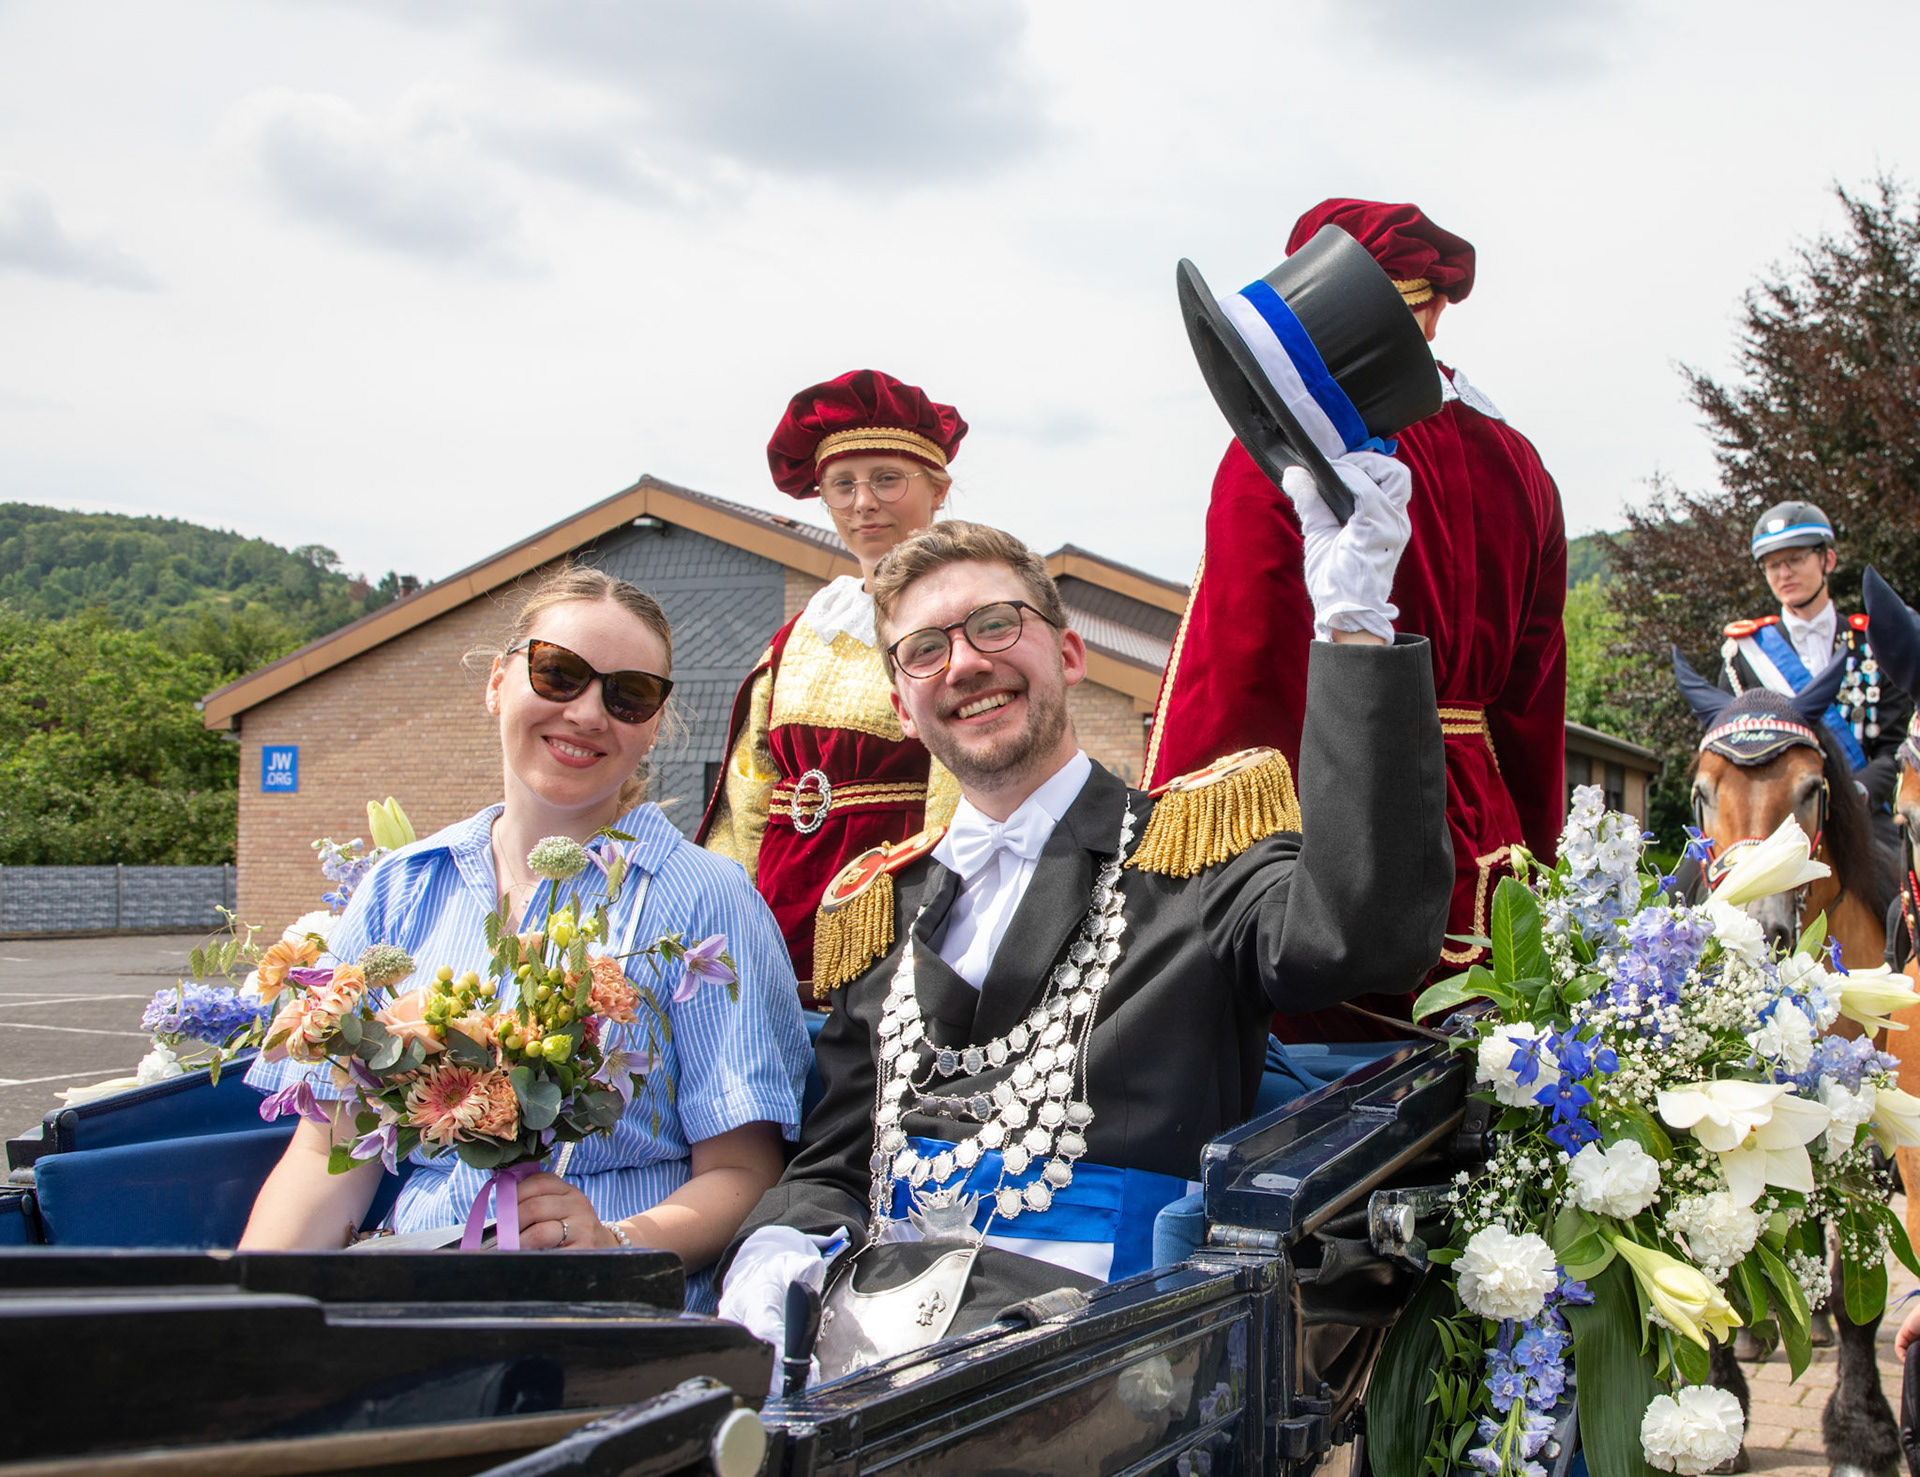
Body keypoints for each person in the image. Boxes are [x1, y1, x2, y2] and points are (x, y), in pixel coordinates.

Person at [715, 513, 1450, 1372]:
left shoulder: (1193, 851)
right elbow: (836, 1163)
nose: (965, 662)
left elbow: (1360, 937)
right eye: (924, 649)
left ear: (1068, 654)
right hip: (868, 1357)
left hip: (1117, 1365)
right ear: (901, 709)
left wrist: (1355, 631)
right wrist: (774, 1249)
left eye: (995, 624)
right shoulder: (881, 908)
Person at [241, 565, 812, 1312]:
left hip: (607, 1311)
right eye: (559, 673)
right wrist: (240, 1316)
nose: (588, 712)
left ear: (653, 726)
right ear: (497, 682)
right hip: (420, 1296)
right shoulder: (402, 888)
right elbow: (327, 1155)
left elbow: (746, 1172)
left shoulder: (706, 898)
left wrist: (614, 1241)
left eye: (629, 695)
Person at [1145, 197, 1567, 1040]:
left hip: (1334, 832)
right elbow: (1532, 706)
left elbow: (1237, 679)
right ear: (1434, 313)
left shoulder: (1277, 454)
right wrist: (1542, 867)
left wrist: (1179, 899)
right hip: (1490, 856)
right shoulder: (1523, 463)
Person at [699, 370, 970, 1006]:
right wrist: (731, 911)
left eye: (887, 479)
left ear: (938, 490)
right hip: (776, 917)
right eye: (842, 485)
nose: (863, 502)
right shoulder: (800, 633)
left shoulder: (963, 621)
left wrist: (935, 914)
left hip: (890, 909)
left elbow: (959, 787)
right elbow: (750, 787)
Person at [1719, 501, 1911, 851]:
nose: (1784, 573)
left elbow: (1895, 746)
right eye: (1772, 565)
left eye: (1795, 559)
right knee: (1696, 879)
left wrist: (1859, 792)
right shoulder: (1744, 655)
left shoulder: (1873, 646)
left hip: (1863, 814)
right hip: (1772, 822)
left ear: (1828, 560)